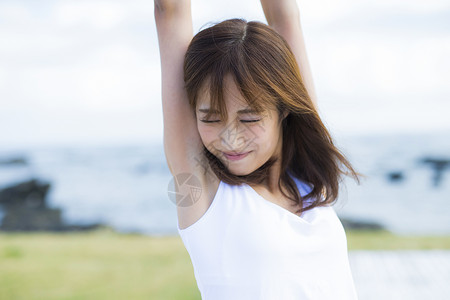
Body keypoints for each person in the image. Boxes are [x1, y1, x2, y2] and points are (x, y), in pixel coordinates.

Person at [154, 0, 361, 299]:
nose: (230, 138)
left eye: (249, 119)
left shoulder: (308, 178)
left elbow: (284, 15)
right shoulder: (203, 190)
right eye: (211, 119)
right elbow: (169, 11)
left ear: (283, 108)